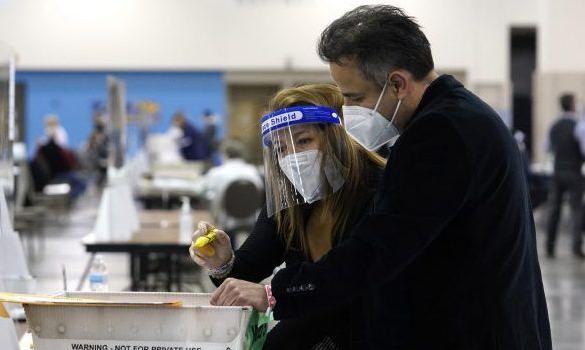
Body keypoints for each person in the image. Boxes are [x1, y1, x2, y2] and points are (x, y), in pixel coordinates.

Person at [206, 5, 552, 349]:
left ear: (397, 84)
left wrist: (274, 292)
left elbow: (377, 251)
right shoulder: (463, 115)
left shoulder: (438, 133)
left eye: (356, 98)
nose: (352, 113)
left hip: (477, 332)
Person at [190, 84, 386, 348]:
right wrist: (222, 261)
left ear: (338, 137)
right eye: (281, 149)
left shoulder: (379, 189)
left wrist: (273, 294)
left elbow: (352, 274)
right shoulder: (290, 200)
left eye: (304, 141)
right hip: (316, 325)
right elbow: (248, 270)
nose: (293, 157)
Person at [545, 93, 585, 259]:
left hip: (557, 171)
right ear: (572, 105)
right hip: (574, 172)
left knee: (554, 209)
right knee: (577, 209)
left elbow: (547, 148)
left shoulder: (553, 126)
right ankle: (576, 247)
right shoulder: (579, 126)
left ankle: (550, 246)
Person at [201, 139, 263, 246]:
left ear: (224, 154)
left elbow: (201, 190)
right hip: (250, 220)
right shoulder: (254, 171)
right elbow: (260, 193)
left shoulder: (216, 173)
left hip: (225, 222)